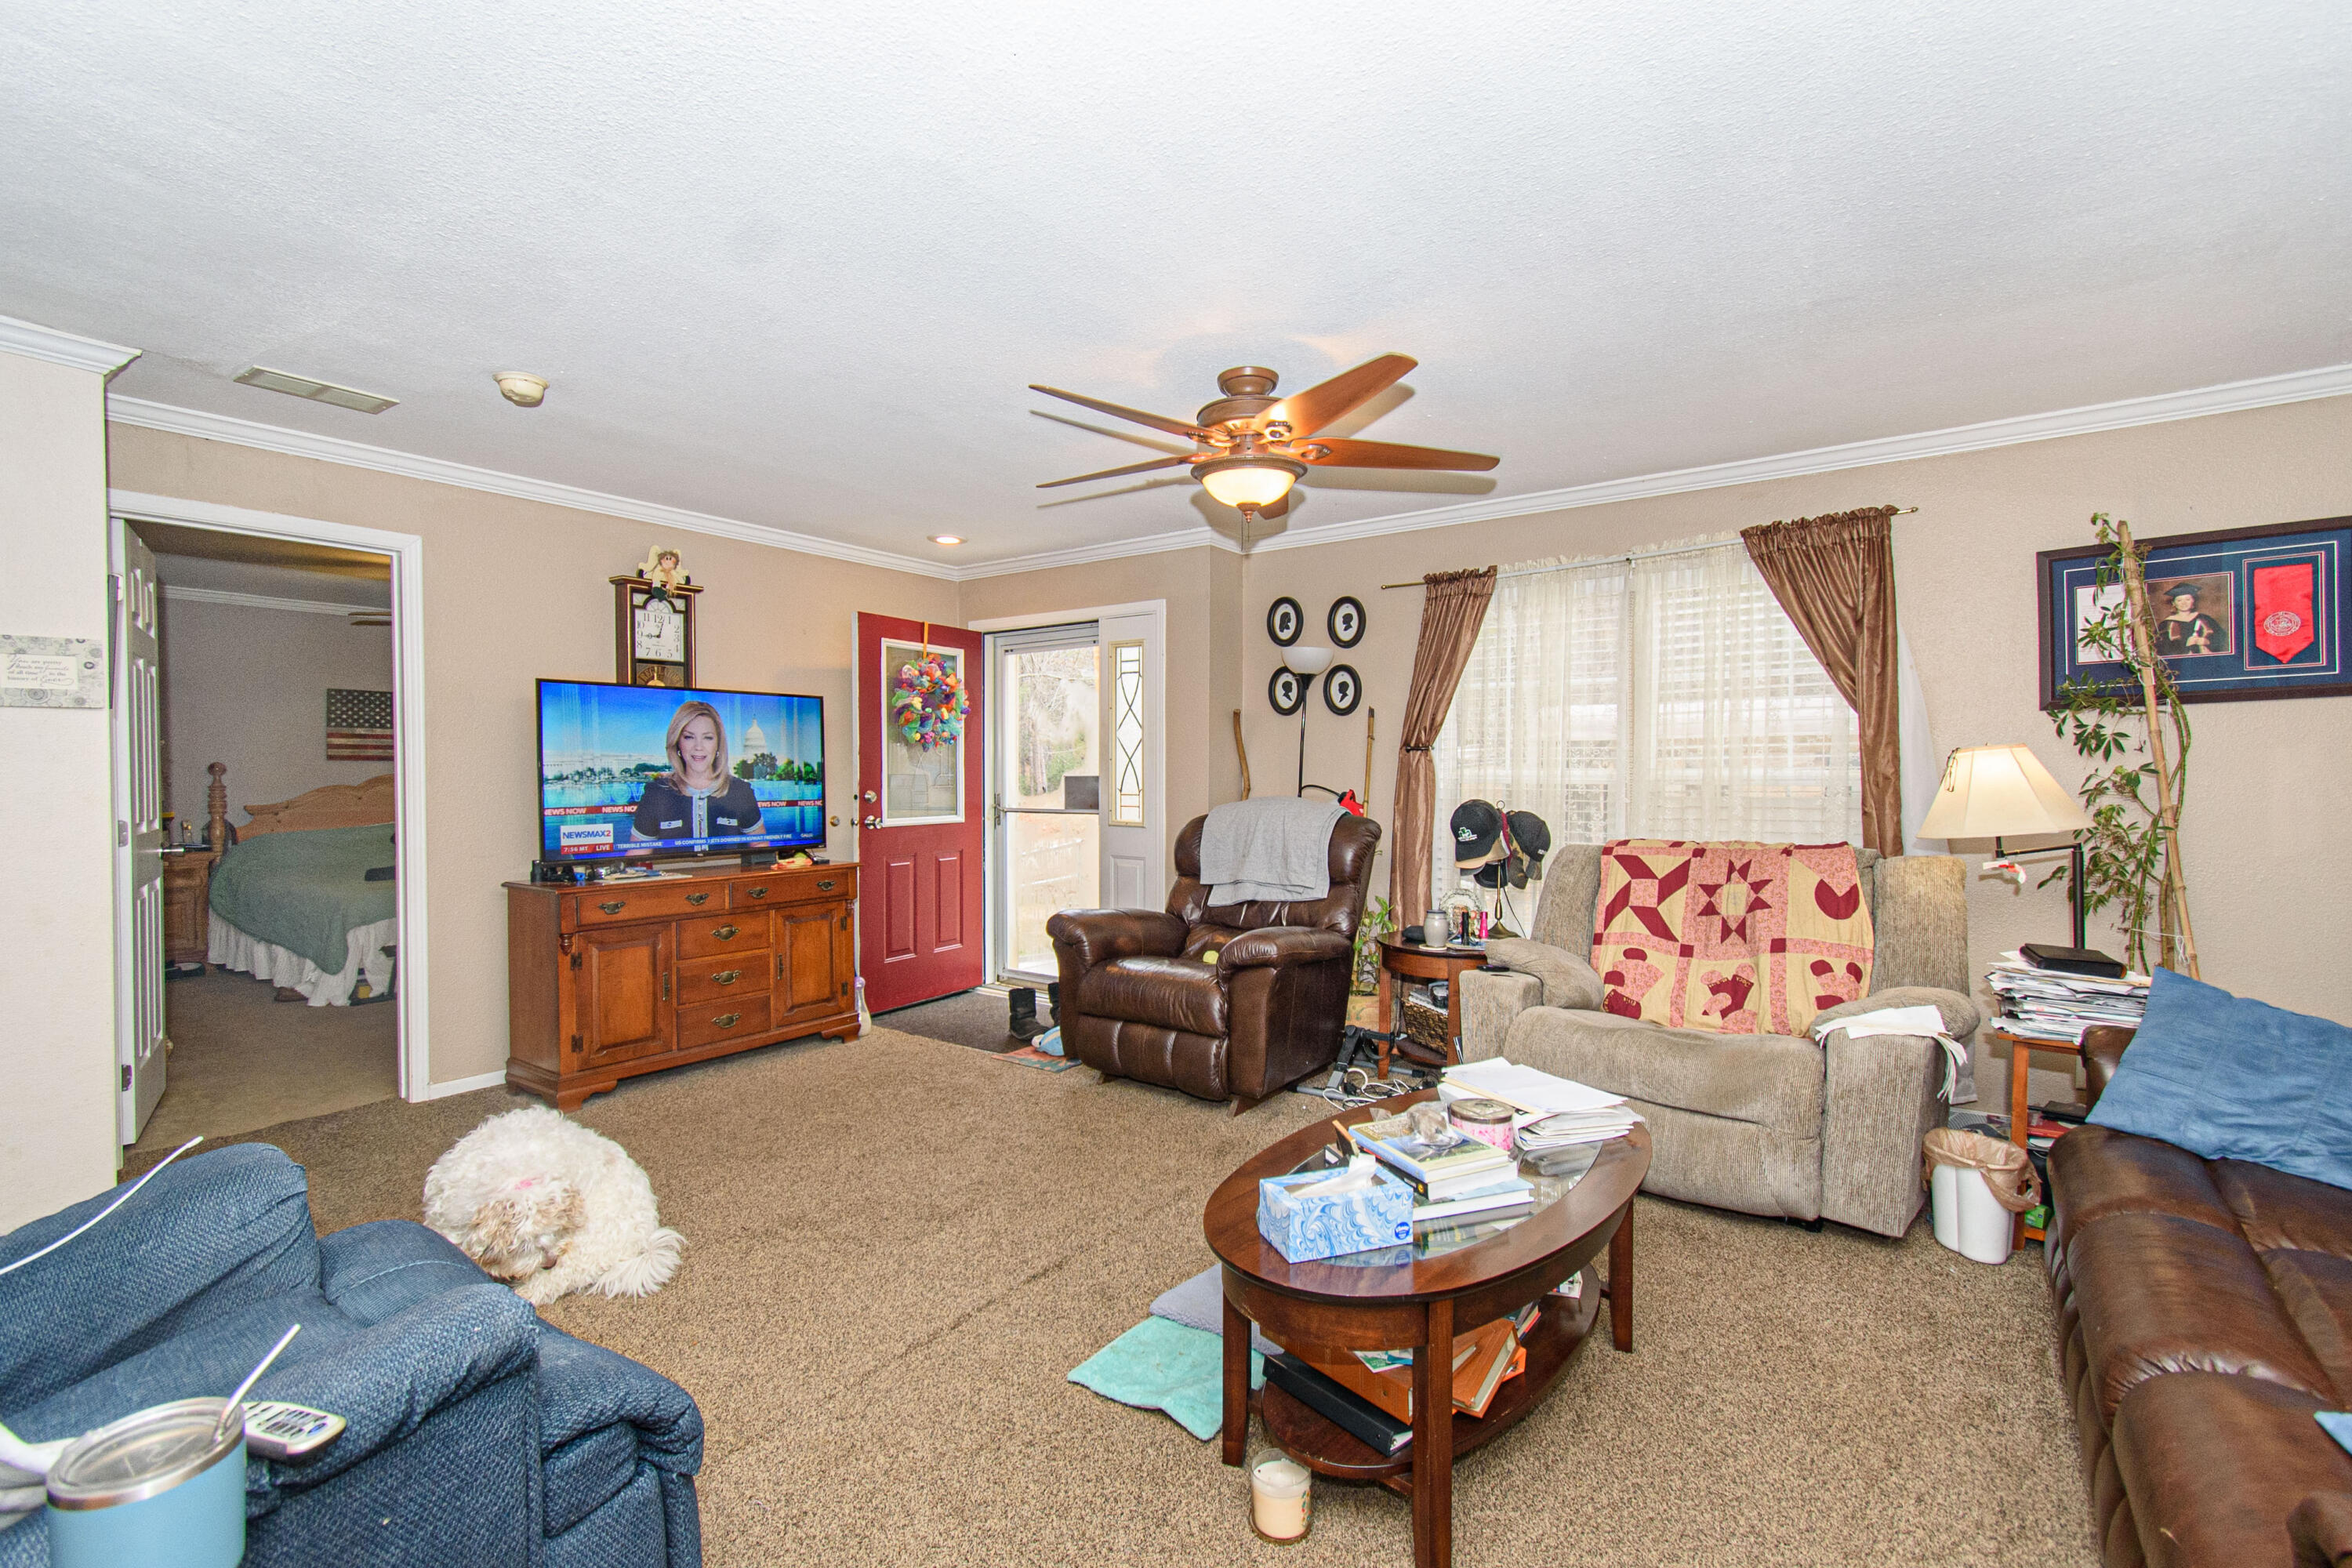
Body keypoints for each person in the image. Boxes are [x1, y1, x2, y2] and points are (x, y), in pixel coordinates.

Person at [631, 701, 764, 843]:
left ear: (718, 744)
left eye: (708, 738)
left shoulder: (740, 791)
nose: (698, 747)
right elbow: (637, 855)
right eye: (689, 737)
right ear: (677, 743)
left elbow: (760, 846)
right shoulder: (656, 793)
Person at [2154, 584, 2226, 658]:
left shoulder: (2205, 619)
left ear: (2193, 601)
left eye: (2188, 599)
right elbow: (2161, 648)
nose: (2184, 603)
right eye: (2179, 600)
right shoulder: (2165, 625)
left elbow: (2222, 637)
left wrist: (2207, 641)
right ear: (2174, 603)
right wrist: (2185, 644)